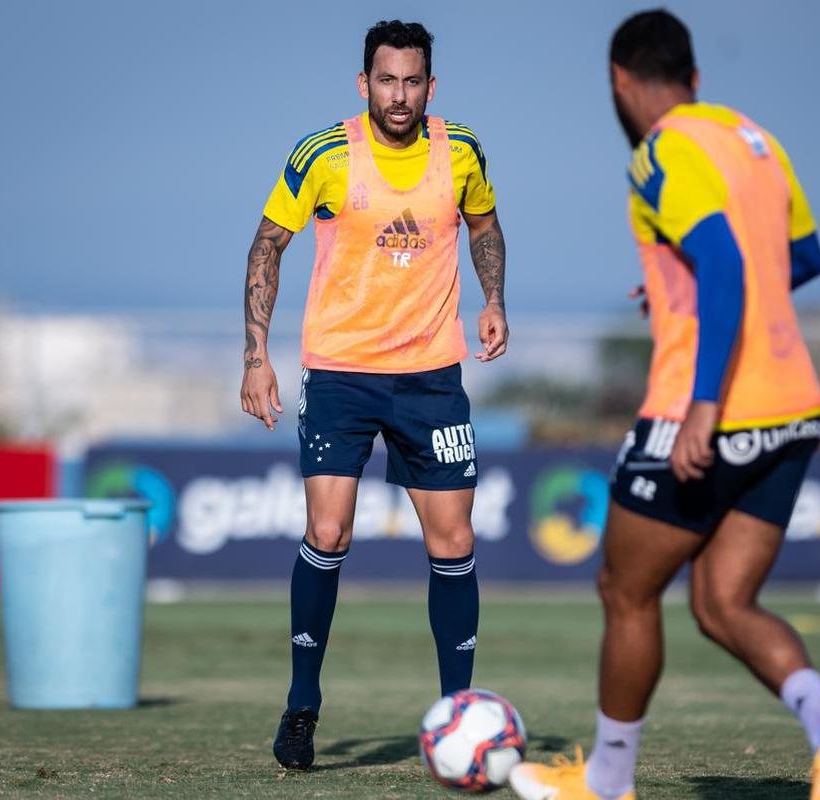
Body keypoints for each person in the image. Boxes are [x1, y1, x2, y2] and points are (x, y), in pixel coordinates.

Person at [510, 10, 820, 800]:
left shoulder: (657, 154)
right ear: (695, 78)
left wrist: (704, 406)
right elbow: (801, 257)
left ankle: (605, 782)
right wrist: (684, 284)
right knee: (721, 601)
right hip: (794, 407)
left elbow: (721, 258)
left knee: (624, 590)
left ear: (618, 80)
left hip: (711, 408)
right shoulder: (753, 138)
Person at [239, 19, 508, 771]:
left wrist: (493, 298)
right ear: (365, 85)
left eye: (412, 81)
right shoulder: (322, 153)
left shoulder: (461, 151)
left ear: (430, 86)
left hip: (431, 377)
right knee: (328, 535)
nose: (399, 95)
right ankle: (301, 705)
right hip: (341, 375)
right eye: (386, 81)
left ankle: (458, 714)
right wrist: (256, 355)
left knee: (453, 542)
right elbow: (267, 244)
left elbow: (484, 225)